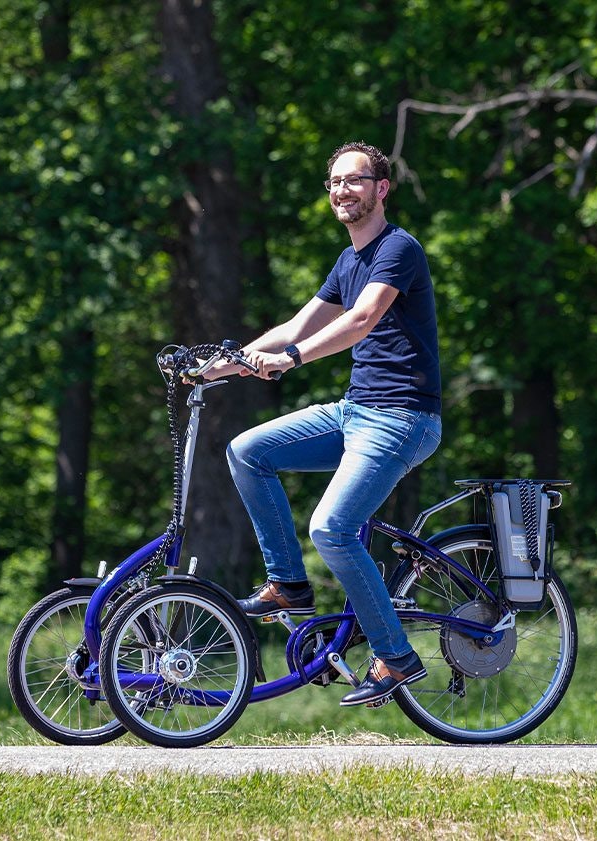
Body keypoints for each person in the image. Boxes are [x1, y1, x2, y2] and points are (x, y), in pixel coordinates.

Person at [203, 141, 442, 706]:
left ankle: (396, 657)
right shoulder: (348, 260)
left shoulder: (397, 249)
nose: (341, 191)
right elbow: (297, 323)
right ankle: (288, 586)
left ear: (381, 189)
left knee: (331, 528)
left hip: (402, 417)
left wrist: (293, 360)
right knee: (247, 451)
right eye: (334, 182)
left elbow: (362, 319)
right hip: (355, 412)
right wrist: (223, 364)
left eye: (354, 181)